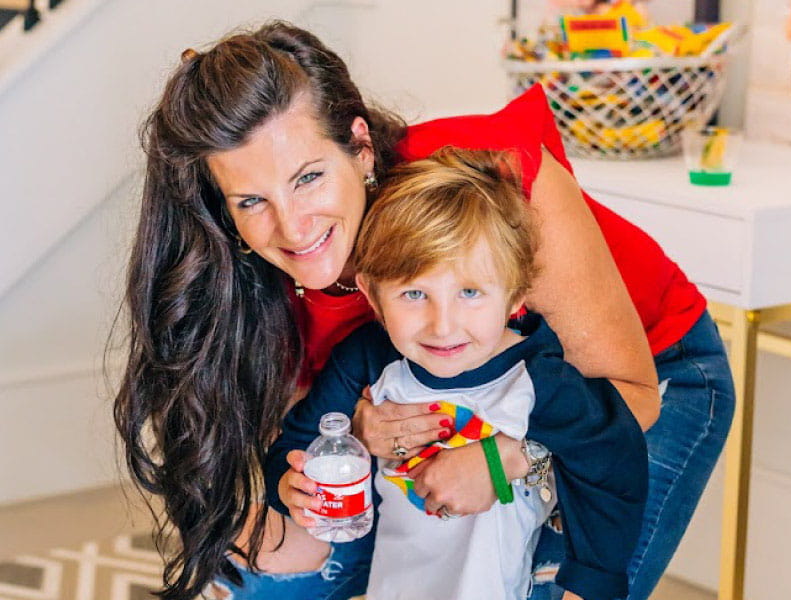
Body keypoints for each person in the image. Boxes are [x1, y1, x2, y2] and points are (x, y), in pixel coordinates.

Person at [112, 20, 734, 600]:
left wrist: (507, 459)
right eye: (252, 201)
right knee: (251, 581)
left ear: (359, 148)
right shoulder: (252, 279)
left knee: (535, 582)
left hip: (644, 380)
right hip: (453, 411)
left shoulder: (489, 180)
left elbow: (628, 395)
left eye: (308, 178)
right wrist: (348, 442)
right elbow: (299, 501)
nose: (292, 228)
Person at [269, 147, 648, 600]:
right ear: (371, 293)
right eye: (413, 294)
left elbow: (613, 457)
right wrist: (286, 484)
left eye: (470, 292)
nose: (442, 324)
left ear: (514, 296)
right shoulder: (368, 360)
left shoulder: (539, 381)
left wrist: (591, 582)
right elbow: (298, 442)